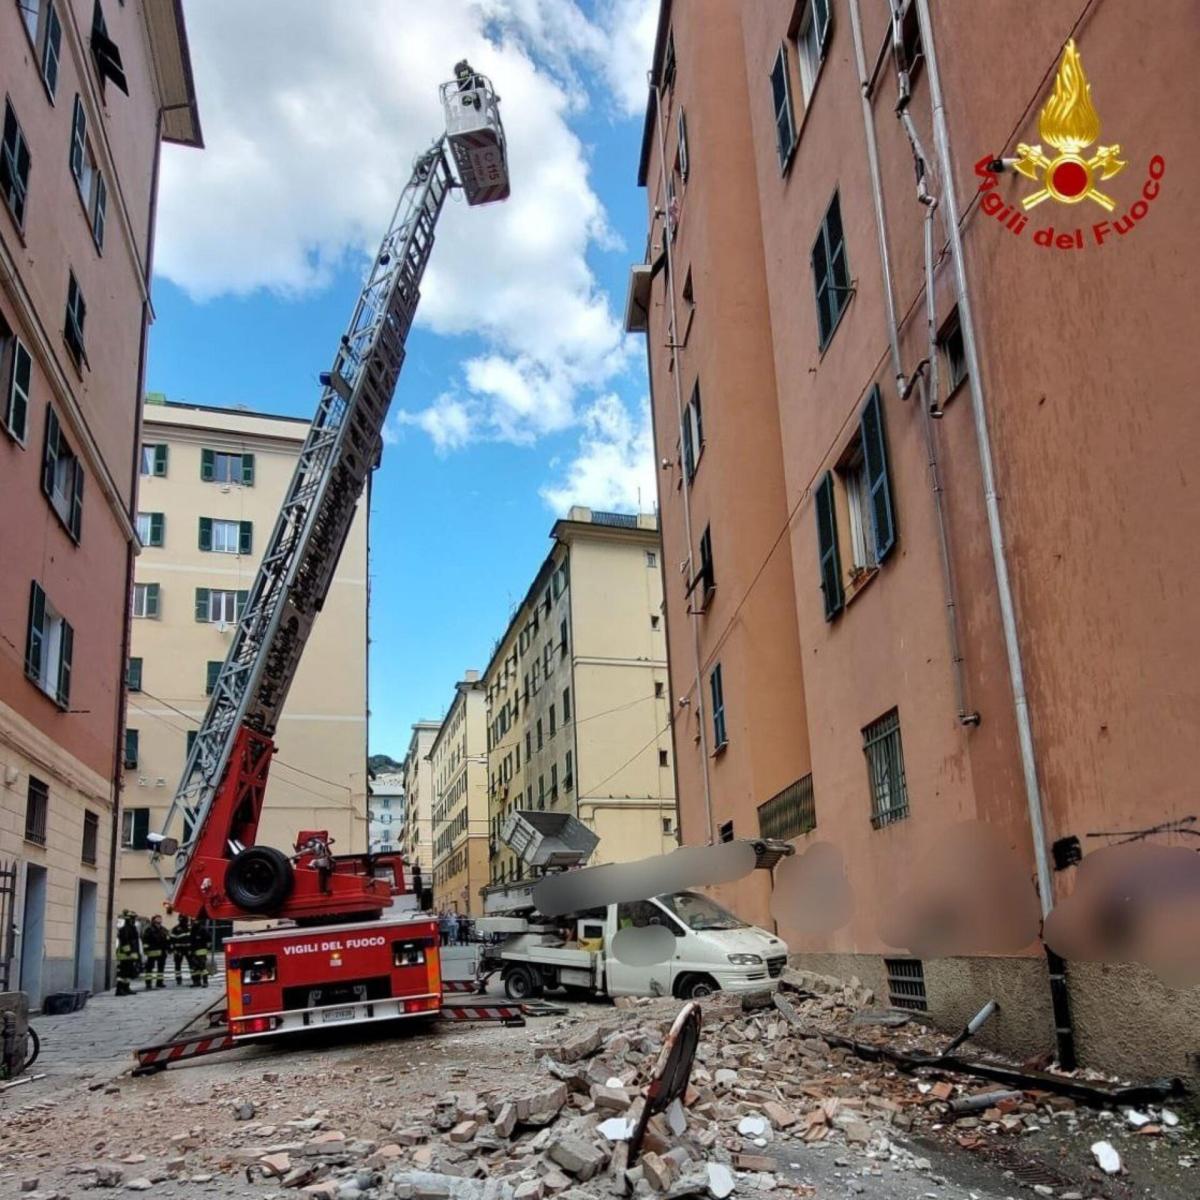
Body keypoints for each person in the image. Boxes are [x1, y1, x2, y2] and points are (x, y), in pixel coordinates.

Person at [115, 910, 142, 997]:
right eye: (133, 918)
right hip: (125, 955)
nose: (134, 920)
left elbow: (135, 942)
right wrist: (128, 952)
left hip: (131, 954)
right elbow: (125, 941)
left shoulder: (132, 928)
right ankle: (119, 989)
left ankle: (126, 988)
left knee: (128, 972)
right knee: (123, 972)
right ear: (129, 919)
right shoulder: (125, 929)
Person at [142, 914, 169, 990]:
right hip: (152, 950)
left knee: (161, 968)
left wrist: (168, 947)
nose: (159, 920)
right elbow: (145, 940)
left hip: (162, 951)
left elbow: (168, 938)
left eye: (160, 918)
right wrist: (146, 949)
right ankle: (148, 983)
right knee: (149, 968)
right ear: (153, 920)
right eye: (158, 918)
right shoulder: (149, 929)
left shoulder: (163, 929)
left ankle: (159, 982)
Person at [170, 914, 192, 985]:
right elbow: (172, 940)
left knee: (192, 964)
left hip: (188, 949)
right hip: (179, 950)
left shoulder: (190, 928)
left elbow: (193, 939)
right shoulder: (175, 929)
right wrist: (175, 949)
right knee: (177, 965)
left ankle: (194, 978)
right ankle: (178, 979)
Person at [189, 917, 211, 987]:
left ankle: (205, 982)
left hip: (201, 950)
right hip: (193, 951)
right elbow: (191, 940)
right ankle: (196, 982)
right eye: (193, 920)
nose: (194, 922)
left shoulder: (202, 929)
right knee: (195, 968)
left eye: (195, 920)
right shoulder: (192, 929)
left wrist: (207, 947)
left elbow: (209, 939)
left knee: (203, 967)